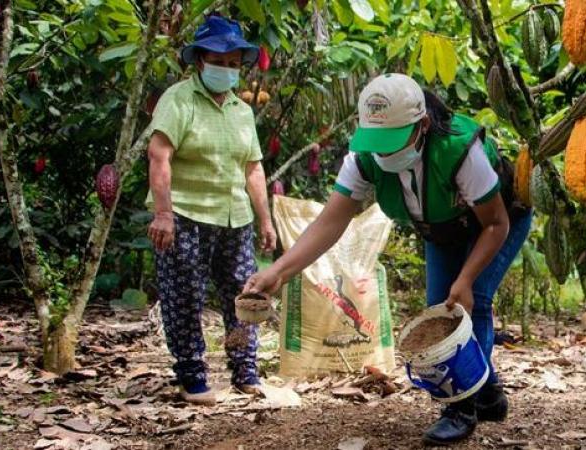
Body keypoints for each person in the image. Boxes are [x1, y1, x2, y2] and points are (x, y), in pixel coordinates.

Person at [244, 73, 533, 445]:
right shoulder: (365, 160)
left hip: (499, 220)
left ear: (422, 126)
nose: (384, 153)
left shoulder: (458, 151)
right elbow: (331, 222)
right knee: (438, 306)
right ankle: (489, 395)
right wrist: (279, 271)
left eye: (393, 141)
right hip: (443, 228)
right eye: (377, 142)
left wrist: (465, 280)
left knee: (466, 303)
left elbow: (495, 224)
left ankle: (461, 408)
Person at [146, 14, 277, 405]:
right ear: (200, 61)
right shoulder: (178, 99)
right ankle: (192, 377)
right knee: (184, 296)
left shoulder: (241, 110)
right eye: (218, 61)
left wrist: (265, 220)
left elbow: (253, 167)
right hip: (184, 216)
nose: (226, 69)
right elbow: (159, 155)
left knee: (245, 294)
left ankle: (245, 371)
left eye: (233, 63)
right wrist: (163, 213)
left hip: (234, 217)